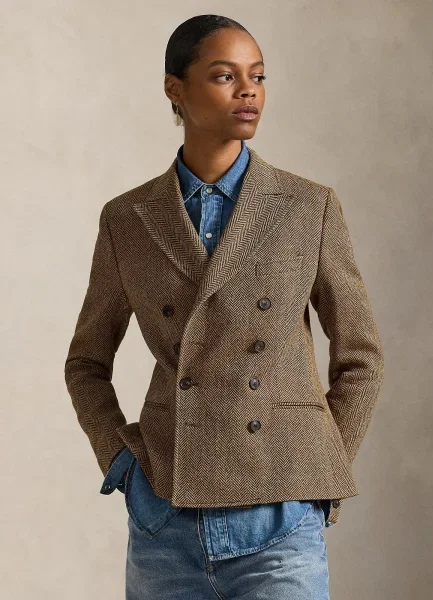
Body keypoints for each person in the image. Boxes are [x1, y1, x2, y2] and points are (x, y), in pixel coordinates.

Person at [64, 14, 384, 600]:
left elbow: (361, 355)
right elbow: (85, 362)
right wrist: (121, 461)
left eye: (257, 76)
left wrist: (319, 467)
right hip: (166, 522)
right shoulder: (128, 219)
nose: (248, 91)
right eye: (224, 76)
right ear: (175, 89)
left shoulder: (306, 207)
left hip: (281, 518)